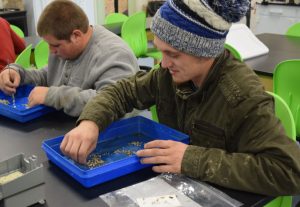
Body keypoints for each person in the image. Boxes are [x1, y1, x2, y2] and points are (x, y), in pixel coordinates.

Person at [60, 0, 300, 196]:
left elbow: (288, 171)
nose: (163, 64)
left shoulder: (241, 97)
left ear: (204, 51)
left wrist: (190, 158)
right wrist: (91, 122)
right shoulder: (169, 74)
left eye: (172, 54)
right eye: (160, 50)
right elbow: (122, 91)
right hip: (176, 190)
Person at [0, 0, 139, 117]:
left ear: (76, 36)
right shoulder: (63, 49)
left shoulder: (114, 54)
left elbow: (111, 103)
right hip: (71, 124)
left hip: (112, 133)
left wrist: (54, 96)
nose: (51, 51)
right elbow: (48, 75)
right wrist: (19, 74)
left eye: (55, 45)